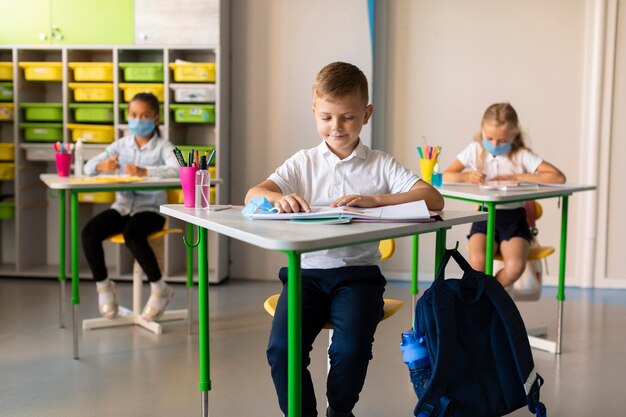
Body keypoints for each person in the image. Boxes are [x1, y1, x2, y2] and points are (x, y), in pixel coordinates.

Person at [245, 62, 444, 417]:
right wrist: (279, 198)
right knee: (281, 349)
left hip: (358, 277)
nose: (336, 127)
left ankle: (340, 411)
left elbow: (433, 198)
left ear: (366, 114)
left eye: (348, 117)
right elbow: (254, 193)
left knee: (350, 349)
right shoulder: (303, 163)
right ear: (314, 114)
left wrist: (376, 199)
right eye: (326, 117)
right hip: (305, 274)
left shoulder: (380, 164)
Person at [442, 102, 566, 287]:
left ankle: (491, 295)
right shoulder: (475, 150)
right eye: (489, 138)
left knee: (515, 267)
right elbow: (445, 175)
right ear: (482, 130)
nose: (494, 144)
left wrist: (517, 175)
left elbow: (558, 177)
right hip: (484, 216)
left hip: (514, 219)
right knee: (477, 264)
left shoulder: (521, 155)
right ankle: (486, 300)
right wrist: (467, 176)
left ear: (513, 135)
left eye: (501, 141)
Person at [81, 92, 179, 322]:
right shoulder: (120, 145)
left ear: (156, 118)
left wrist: (147, 171)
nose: (138, 120)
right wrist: (104, 165)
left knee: (132, 234)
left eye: (144, 115)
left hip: (151, 210)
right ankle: (104, 288)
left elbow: (177, 169)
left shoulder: (163, 147)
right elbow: (88, 168)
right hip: (123, 207)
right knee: (89, 233)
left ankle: (159, 288)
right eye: (133, 115)